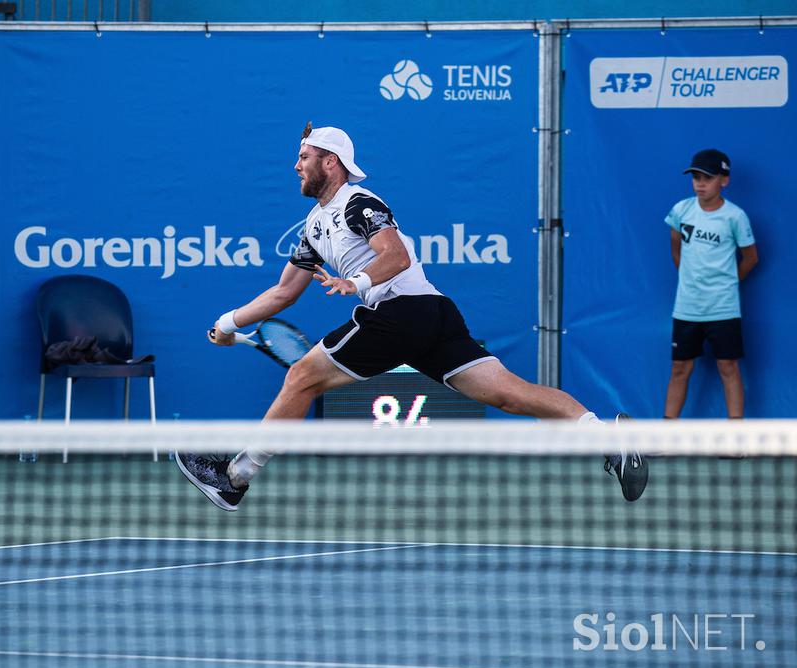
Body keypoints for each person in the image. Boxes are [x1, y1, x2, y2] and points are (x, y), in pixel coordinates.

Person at [176, 123, 647, 510]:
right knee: (508, 394)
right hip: (432, 317)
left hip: (402, 310)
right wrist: (229, 322)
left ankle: (234, 478)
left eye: (304, 156)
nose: (294, 165)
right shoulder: (314, 228)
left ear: (330, 162)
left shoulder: (359, 203)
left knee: (302, 377)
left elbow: (395, 257)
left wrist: (354, 283)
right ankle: (609, 439)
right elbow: (283, 293)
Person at [663, 149, 758, 420]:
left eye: (707, 177)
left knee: (728, 367)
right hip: (686, 307)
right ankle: (664, 435)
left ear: (724, 181)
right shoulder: (681, 211)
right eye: (695, 177)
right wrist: (691, 281)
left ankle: (735, 438)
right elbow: (675, 249)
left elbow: (751, 258)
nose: (700, 183)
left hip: (723, 308)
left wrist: (727, 284)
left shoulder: (735, 217)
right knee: (680, 369)